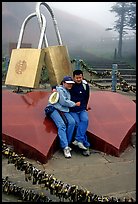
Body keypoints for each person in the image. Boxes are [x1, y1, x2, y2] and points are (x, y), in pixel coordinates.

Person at [45, 76, 80, 158]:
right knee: (61, 125)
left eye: (71, 84)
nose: (70, 85)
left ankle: (67, 143)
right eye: (68, 83)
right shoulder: (60, 90)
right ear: (63, 83)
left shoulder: (67, 90)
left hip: (64, 109)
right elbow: (63, 102)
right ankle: (65, 147)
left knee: (72, 122)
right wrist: (74, 104)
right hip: (54, 108)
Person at [69, 69, 91, 156]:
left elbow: (87, 96)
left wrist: (86, 106)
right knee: (78, 124)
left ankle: (78, 140)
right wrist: (54, 89)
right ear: (73, 77)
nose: (78, 79)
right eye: (77, 78)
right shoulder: (70, 85)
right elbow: (60, 87)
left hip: (82, 109)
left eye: (80, 77)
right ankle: (86, 145)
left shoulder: (85, 86)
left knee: (85, 120)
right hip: (73, 110)